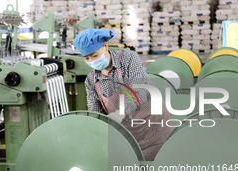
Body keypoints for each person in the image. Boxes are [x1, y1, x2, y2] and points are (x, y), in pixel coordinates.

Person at [73, 28, 171, 161]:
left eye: (95, 55)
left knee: (160, 168)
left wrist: (121, 112)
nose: (92, 61)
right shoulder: (91, 81)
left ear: (105, 46)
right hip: (128, 136)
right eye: (87, 58)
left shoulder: (128, 59)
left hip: (154, 128)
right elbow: (95, 114)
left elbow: (141, 91)